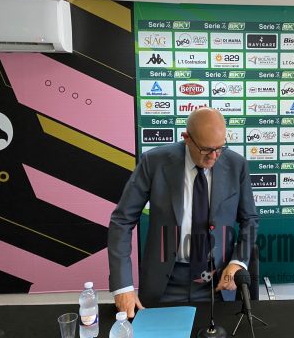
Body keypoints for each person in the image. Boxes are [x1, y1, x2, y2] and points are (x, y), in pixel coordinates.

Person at [108, 107, 258, 317]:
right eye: (206, 150)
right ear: (187, 138)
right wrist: (122, 286)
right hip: (164, 283)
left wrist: (237, 262)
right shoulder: (154, 162)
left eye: (220, 148)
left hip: (217, 282)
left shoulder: (236, 165)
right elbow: (122, 221)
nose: (214, 156)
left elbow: (250, 219)